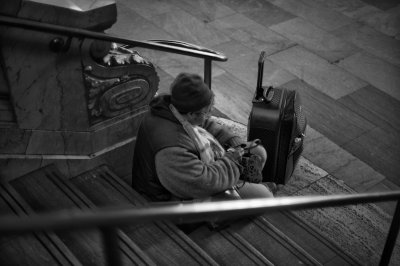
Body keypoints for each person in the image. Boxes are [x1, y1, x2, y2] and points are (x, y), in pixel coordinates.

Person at [132, 72, 274, 202]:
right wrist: (232, 160)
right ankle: (253, 191)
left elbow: (205, 123)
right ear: (191, 114)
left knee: (258, 152)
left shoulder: (174, 108)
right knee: (264, 198)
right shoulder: (171, 151)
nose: (209, 114)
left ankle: (249, 186)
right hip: (176, 200)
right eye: (207, 111)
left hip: (198, 173)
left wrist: (232, 141)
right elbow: (204, 183)